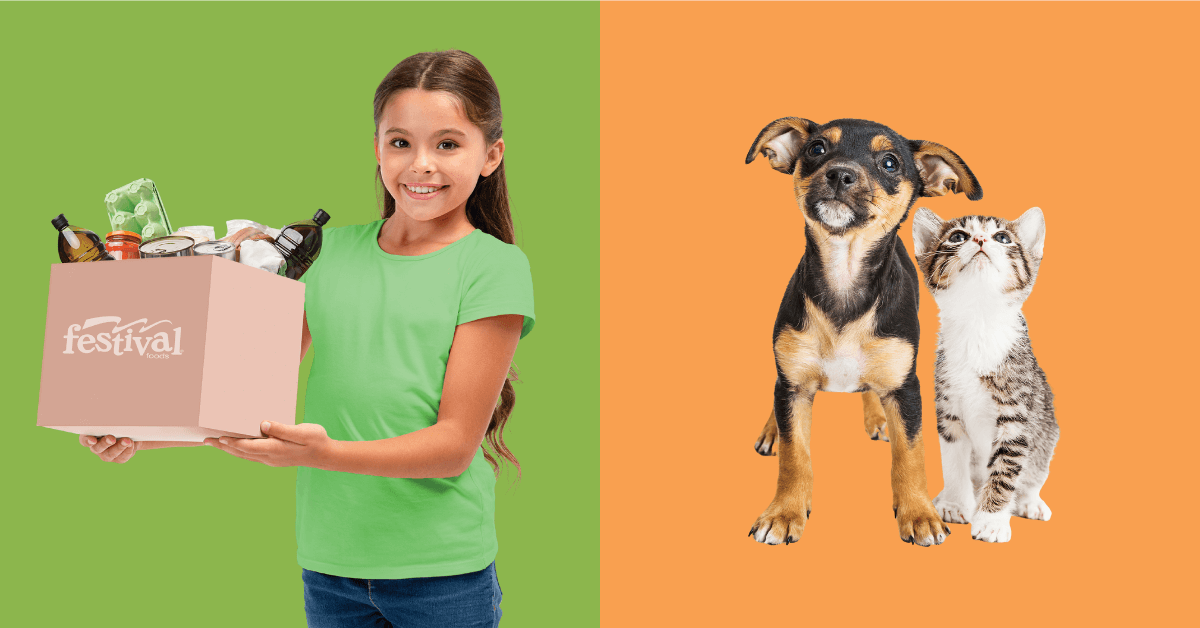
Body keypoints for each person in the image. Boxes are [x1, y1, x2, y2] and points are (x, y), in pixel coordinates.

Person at [78, 50, 535, 628]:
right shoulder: (324, 255)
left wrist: (324, 455)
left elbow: (453, 448)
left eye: (447, 144)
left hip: (441, 576)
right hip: (330, 568)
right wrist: (140, 435)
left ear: (490, 155)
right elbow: (244, 401)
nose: (421, 165)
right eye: (400, 143)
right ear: (376, 148)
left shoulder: (493, 267)